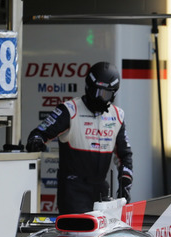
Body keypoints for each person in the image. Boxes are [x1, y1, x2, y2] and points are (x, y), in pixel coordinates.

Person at [25, 61, 134, 214]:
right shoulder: (70, 110)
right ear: (88, 87)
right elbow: (39, 133)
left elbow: (125, 155)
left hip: (101, 192)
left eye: (106, 94)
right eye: (97, 92)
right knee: (77, 236)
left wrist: (125, 183)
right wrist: (36, 141)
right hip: (73, 191)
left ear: (114, 94)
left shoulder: (117, 116)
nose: (100, 98)